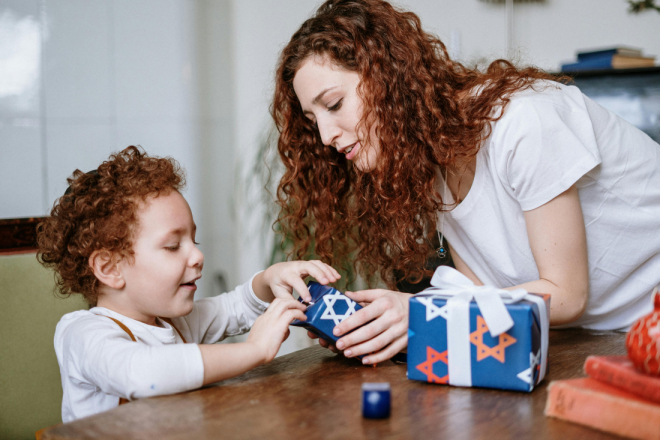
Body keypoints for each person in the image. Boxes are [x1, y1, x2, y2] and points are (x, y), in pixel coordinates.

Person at [271, 0, 660, 365]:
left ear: (387, 78)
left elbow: (568, 295)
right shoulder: (427, 163)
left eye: (334, 104)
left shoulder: (522, 121)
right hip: (604, 342)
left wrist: (421, 312)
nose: (324, 137)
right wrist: (378, 323)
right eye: (312, 120)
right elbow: (481, 300)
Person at [37, 146, 340, 422]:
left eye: (193, 240)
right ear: (109, 268)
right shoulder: (81, 333)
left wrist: (270, 278)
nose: (197, 255)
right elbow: (142, 374)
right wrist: (255, 350)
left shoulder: (178, 322)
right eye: (172, 246)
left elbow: (234, 307)